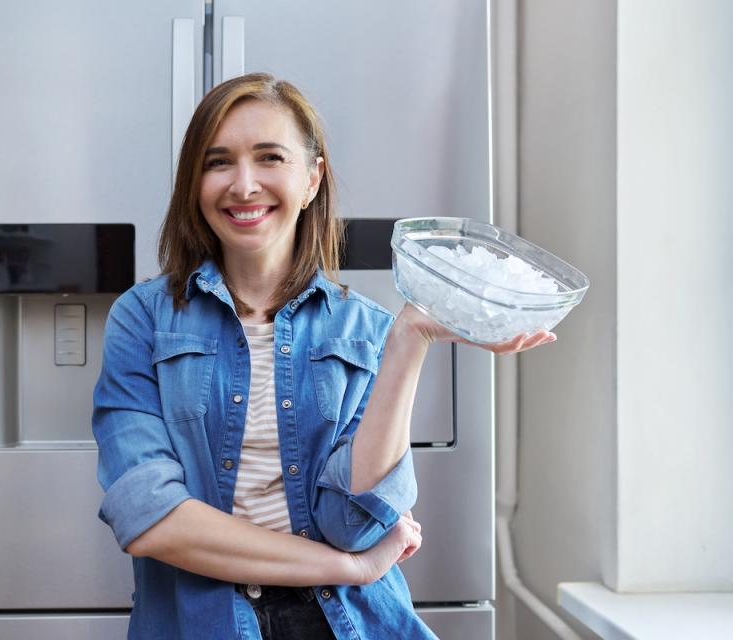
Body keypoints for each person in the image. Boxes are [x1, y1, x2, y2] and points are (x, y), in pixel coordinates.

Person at [92, 72, 554, 640]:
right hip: (199, 623)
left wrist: (410, 339)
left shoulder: (368, 330)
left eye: (269, 158)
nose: (243, 185)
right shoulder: (142, 319)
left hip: (348, 624)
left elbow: (354, 523)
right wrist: (348, 568)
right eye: (218, 163)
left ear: (312, 179)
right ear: (194, 183)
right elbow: (150, 520)